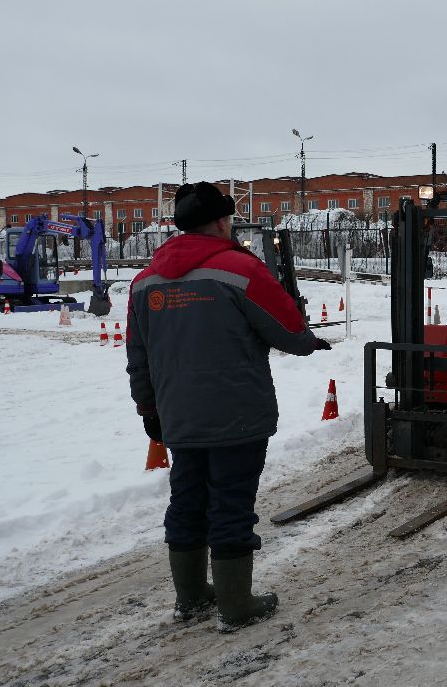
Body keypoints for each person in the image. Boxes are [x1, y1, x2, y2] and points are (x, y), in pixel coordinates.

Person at [126, 181, 330, 633]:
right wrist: (308, 335)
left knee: (187, 502)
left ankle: (192, 597)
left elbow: (137, 356)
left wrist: (148, 409)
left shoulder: (144, 282)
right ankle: (236, 605)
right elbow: (292, 336)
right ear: (221, 221)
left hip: (178, 416)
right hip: (237, 415)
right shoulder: (241, 269)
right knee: (232, 505)